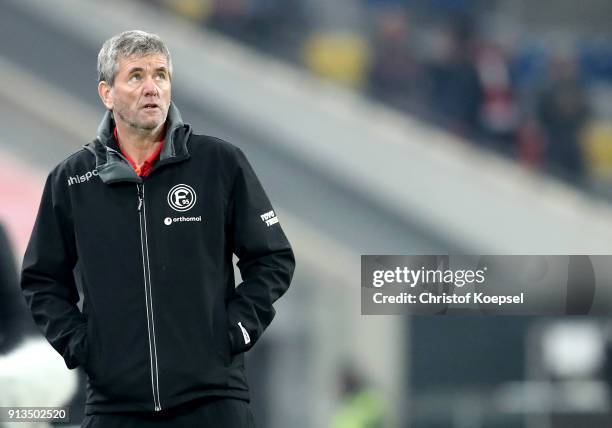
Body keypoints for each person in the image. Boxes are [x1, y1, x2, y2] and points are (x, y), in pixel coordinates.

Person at [20, 30, 295, 428]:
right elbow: (42, 279)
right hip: (114, 405)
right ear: (107, 93)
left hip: (213, 400)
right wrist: (81, 348)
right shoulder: (71, 180)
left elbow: (272, 257)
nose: (152, 87)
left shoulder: (219, 163)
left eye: (161, 75)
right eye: (136, 76)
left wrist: (236, 329)